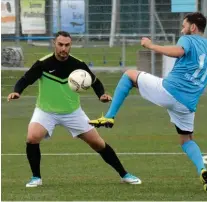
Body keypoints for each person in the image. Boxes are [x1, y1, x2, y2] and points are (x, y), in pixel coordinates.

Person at [89, 12, 207, 191]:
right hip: (187, 105)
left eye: (184, 25)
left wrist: (151, 45)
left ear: (193, 27)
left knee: (128, 75)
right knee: (187, 140)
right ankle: (202, 170)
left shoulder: (188, 40)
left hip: (168, 91)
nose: (182, 29)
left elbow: (178, 52)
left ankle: (109, 116)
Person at [7, 31, 141, 187]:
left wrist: (101, 95)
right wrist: (17, 91)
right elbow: (25, 80)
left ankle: (124, 174)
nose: (64, 48)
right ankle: (36, 177)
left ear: (70, 45)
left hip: (72, 113)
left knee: (98, 143)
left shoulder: (78, 65)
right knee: (32, 137)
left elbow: (95, 82)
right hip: (46, 111)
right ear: (54, 44)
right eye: (60, 44)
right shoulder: (43, 64)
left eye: (67, 45)